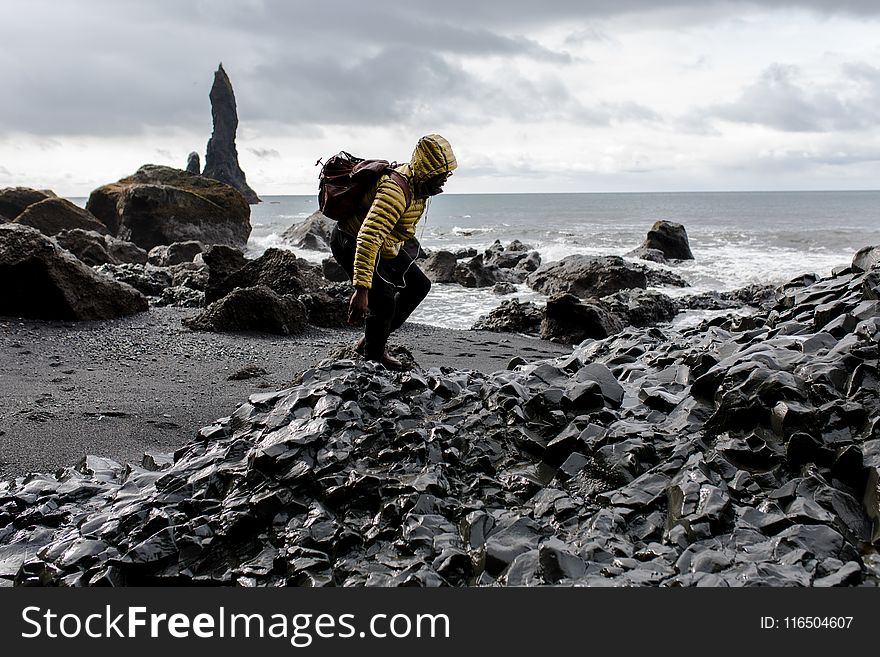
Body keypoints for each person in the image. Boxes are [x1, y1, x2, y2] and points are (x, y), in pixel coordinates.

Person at [330, 134, 457, 369]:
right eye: (442, 174)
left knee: (419, 286)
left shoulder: (418, 186)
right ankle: (373, 362)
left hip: (384, 245)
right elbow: (368, 237)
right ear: (428, 170)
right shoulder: (394, 192)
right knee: (383, 301)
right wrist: (361, 290)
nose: (445, 179)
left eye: (448, 173)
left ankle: (370, 341)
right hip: (352, 241)